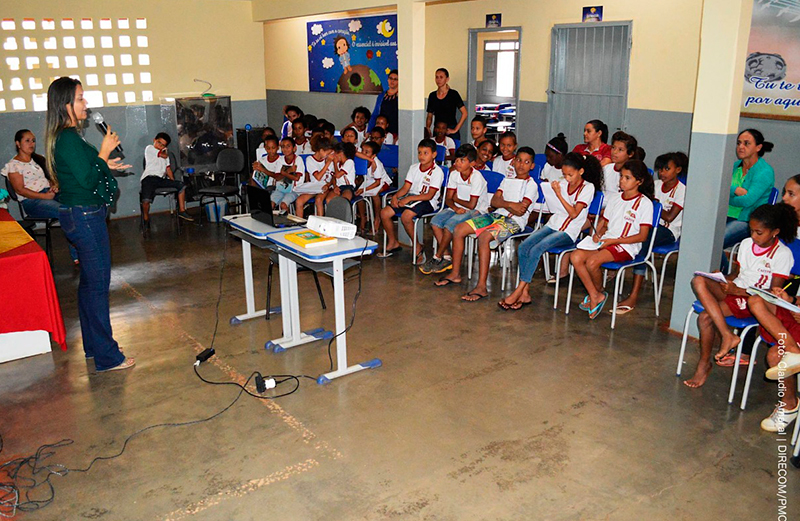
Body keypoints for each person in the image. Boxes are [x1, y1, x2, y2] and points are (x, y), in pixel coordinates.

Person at [45, 77, 134, 372]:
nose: (86, 104)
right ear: (66, 104)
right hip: (84, 215)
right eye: (81, 99)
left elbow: (81, 169)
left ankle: (94, 348)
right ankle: (109, 357)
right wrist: (105, 151)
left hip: (78, 213)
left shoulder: (68, 136)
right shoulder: (68, 137)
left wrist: (104, 164)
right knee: (97, 286)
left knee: (89, 285)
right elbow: (85, 179)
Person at [684, 203, 796, 388]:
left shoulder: (782, 254)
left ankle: (705, 364)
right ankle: (727, 335)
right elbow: (737, 275)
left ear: (775, 231)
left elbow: (772, 295)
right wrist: (722, 280)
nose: (753, 236)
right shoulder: (746, 244)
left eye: (759, 232)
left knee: (705, 318)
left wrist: (740, 291)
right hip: (735, 292)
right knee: (699, 280)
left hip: (753, 301)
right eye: (751, 230)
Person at [434, 147, 539, 302]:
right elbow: (494, 202)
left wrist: (504, 204)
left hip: (513, 222)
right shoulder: (506, 180)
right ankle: (455, 273)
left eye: (526, 162)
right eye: (518, 160)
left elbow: (520, 211)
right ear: (514, 162)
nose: (521, 164)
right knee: (459, 229)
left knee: (484, 237)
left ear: (532, 166)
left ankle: (482, 286)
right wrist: (510, 204)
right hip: (496, 215)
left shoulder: (531, 185)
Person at [500, 153, 602, 310]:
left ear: (580, 171)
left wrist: (559, 195)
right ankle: (525, 292)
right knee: (524, 246)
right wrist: (552, 192)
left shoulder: (588, 187)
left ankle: (519, 289)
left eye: (570, 174)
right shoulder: (562, 183)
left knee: (537, 249)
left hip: (569, 231)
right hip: (554, 224)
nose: (566, 178)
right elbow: (554, 208)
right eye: (564, 174)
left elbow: (574, 214)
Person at [747, 176, 800, 431]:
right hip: (789, 308)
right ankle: (790, 404)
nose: (784, 199)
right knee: (774, 354)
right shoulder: (786, 239)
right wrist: (787, 295)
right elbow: (789, 282)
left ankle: (789, 405)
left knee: (774, 355)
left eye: (791, 194)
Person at [570, 160, 655, 319]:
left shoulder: (645, 204)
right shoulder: (616, 198)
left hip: (625, 246)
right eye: (621, 176)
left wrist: (614, 241)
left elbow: (642, 236)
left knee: (592, 262)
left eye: (627, 178)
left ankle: (598, 292)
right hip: (607, 241)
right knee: (575, 256)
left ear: (639, 181)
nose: (622, 180)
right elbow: (605, 221)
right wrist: (598, 232)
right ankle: (595, 293)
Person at [613, 152, 686, 315]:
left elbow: (669, 216)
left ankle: (634, 294)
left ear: (678, 170)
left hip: (668, 230)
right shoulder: (657, 184)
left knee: (643, 242)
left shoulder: (682, 190)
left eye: (667, 169)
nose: (662, 173)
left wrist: (653, 204)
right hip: (647, 224)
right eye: (660, 169)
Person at [1, 129, 78, 263]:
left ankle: (82, 246)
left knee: (76, 202)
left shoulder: (38, 160)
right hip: (33, 201)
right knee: (65, 211)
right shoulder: (13, 165)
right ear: (18, 144)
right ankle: (77, 253)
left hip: (49, 193)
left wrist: (54, 185)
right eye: (27, 141)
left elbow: (51, 178)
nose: (31, 144)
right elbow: (20, 190)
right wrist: (44, 197)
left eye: (33, 141)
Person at [420, 145, 488, 275]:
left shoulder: (477, 177)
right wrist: (456, 207)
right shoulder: (454, 174)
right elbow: (448, 199)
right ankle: (446, 257)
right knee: (435, 222)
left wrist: (456, 200)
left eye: (462, 161)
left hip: (477, 211)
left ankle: (437, 257)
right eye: (457, 160)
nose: (457, 163)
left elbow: (472, 205)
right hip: (458, 208)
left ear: (472, 163)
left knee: (449, 226)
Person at [378, 139, 444, 263]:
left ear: (434, 154)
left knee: (406, 216)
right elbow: (406, 187)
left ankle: (417, 246)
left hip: (428, 202)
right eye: (420, 153)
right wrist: (396, 196)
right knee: (385, 212)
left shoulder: (437, 172)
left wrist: (409, 198)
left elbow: (429, 195)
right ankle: (393, 242)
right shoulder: (414, 168)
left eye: (426, 153)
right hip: (412, 198)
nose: (422, 156)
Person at [722, 128, 776, 272]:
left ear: (758, 147)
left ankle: (722, 276)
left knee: (714, 241)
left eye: (746, 143)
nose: (740, 147)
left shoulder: (764, 171)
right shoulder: (735, 166)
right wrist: (736, 190)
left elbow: (748, 201)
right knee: (703, 234)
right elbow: (720, 188)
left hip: (747, 219)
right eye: (739, 143)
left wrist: (728, 194)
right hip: (724, 214)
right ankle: (721, 272)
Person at [140, 132, 193, 226]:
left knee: (181, 186)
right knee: (146, 201)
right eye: (159, 142)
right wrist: (165, 152)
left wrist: (172, 181)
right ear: (154, 140)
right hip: (148, 178)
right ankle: (145, 218)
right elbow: (163, 155)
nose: (160, 145)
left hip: (160, 179)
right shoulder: (149, 148)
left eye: (163, 145)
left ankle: (182, 210)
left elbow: (168, 169)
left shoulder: (166, 155)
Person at [354, 141, 391, 235]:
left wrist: (364, 189)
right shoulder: (362, 160)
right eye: (363, 150)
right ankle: (363, 218)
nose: (363, 153)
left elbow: (377, 182)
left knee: (375, 195)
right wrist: (361, 189)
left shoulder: (377, 164)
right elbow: (354, 152)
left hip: (382, 182)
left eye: (367, 152)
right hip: (369, 181)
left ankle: (377, 219)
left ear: (374, 155)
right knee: (358, 194)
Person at [425, 68, 467, 142]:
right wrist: (428, 128)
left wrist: (455, 129)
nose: (438, 80)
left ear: (447, 79)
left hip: (450, 130)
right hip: (438, 131)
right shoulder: (432, 96)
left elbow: (464, 113)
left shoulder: (453, 94)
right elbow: (429, 115)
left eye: (441, 77)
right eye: (437, 77)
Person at [293, 136, 331, 218]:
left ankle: (320, 224)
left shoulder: (329, 159)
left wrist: (328, 185)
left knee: (318, 200)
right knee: (299, 201)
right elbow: (318, 177)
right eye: (327, 153)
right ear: (321, 151)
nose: (329, 155)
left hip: (326, 186)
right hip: (314, 186)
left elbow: (332, 177)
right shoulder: (310, 159)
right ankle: (299, 225)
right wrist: (327, 163)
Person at [601, 131, 638, 207]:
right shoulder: (606, 168)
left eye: (620, 150)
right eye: (613, 148)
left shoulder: (631, 174)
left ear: (630, 154)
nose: (614, 152)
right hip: (601, 206)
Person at [320, 141, 357, 214]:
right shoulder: (337, 164)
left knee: (343, 201)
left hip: (348, 187)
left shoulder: (349, 162)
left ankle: (344, 220)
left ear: (341, 153)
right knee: (329, 200)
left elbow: (338, 175)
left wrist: (334, 163)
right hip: (338, 186)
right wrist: (335, 186)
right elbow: (334, 177)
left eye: (335, 154)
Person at [369, 69, 398, 142]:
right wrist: (369, 131)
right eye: (390, 78)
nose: (392, 81)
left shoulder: (402, 96)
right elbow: (375, 114)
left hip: (395, 130)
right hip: (381, 130)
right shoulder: (382, 95)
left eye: (395, 79)